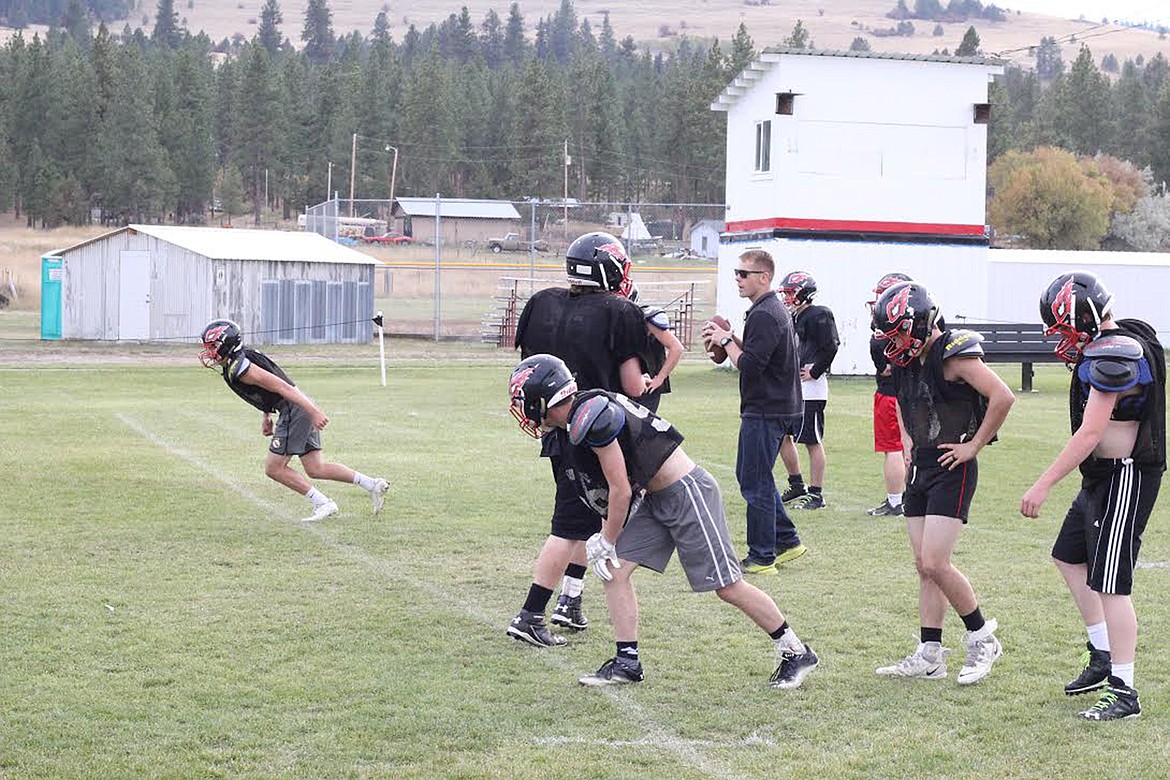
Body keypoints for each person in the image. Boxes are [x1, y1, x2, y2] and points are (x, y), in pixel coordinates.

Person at [508, 353, 820, 689]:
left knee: (727, 587)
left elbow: (620, 490)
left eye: (524, 399)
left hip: (686, 492)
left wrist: (607, 539)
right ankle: (627, 661)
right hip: (655, 498)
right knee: (614, 572)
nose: (522, 408)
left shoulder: (591, 416)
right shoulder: (579, 416)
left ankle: (795, 650)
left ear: (545, 398)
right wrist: (605, 538)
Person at [1021, 272, 1164, 721]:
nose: (1060, 340)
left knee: (1111, 583)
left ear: (1083, 319)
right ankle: (1102, 654)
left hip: (1125, 476)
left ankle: (1125, 690)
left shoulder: (1115, 353)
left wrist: (1042, 483)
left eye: (1063, 329)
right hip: (1101, 477)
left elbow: (1091, 431)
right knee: (1069, 556)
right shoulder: (1111, 342)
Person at [508, 231, 649, 647]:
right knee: (571, 525)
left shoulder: (541, 303)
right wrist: (649, 379)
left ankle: (570, 600)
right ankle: (531, 614)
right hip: (597, 427)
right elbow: (631, 385)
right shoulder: (619, 311)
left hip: (554, 424)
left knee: (590, 518)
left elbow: (528, 372)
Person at [871, 281, 1014, 685]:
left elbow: (1003, 396)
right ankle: (930, 653)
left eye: (899, 331)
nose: (893, 340)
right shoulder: (903, 360)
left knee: (936, 562)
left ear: (919, 322)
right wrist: (909, 440)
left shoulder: (952, 353)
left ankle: (983, 637)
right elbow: (900, 400)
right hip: (924, 464)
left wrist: (974, 446)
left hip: (954, 464)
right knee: (923, 567)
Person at [198, 319, 389, 523]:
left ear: (227, 344)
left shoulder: (242, 368)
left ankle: (323, 503)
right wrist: (266, 414)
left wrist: (313, 411)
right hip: (295, 406)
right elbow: (268, 388)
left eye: (212, 347)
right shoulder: (239, 360)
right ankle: (372, 484)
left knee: (274, 468)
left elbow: (282, 386)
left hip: (294, 408)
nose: (209, 353)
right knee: (316, 468)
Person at [702, 249, 806, 574]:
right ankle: (787, 541)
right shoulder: (769, 309)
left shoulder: (764, 313)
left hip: (765, 409)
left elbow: (749, 365)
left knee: (753, 481)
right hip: (775, 406)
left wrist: (725, 341)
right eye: (736, 273)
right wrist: (731, 337)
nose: (737, 278)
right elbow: (760, 354)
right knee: (754, 477)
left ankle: (762, 556)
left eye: (743, 273)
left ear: (764, 277)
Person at [776, 271, 839, 510]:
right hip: (794, 389)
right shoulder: (795, 316)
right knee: (783, 436)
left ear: (804, 293)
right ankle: (797, 485)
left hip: (811, 390)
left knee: (812, 440)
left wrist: (815, 371)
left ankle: (816, 493)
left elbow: (831, 345)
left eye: (792, 293)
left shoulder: (818, 314)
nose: (788, 298)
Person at [866, 272, 913, 517]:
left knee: (894, 448)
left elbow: (883, 365)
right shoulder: (918, 323)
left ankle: (896, 501)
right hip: (912, 393)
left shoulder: (883, 333)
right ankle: (909, 497)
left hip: (891, 395)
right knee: (909, 447)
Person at [627, 284, 684, 414]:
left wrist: (660, 377)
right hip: (626, 383)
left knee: (641, 430)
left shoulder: (647, 318)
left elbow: (676, 347)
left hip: (646, 385)